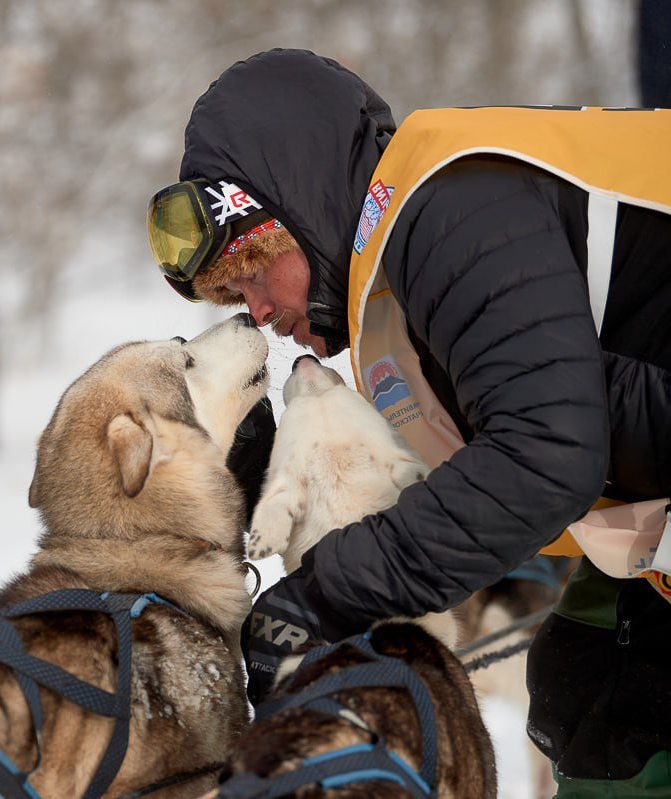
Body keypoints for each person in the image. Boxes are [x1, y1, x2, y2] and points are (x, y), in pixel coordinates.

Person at [147, 49, 671, 796]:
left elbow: (546, 457)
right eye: (234, 298)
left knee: (604, 694)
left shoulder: (451, 210)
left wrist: (321, 595)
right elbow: (494, 446)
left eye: (255, 273)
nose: (258, 313)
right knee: (591, 675)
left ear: (296, 207)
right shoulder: (412, 270)